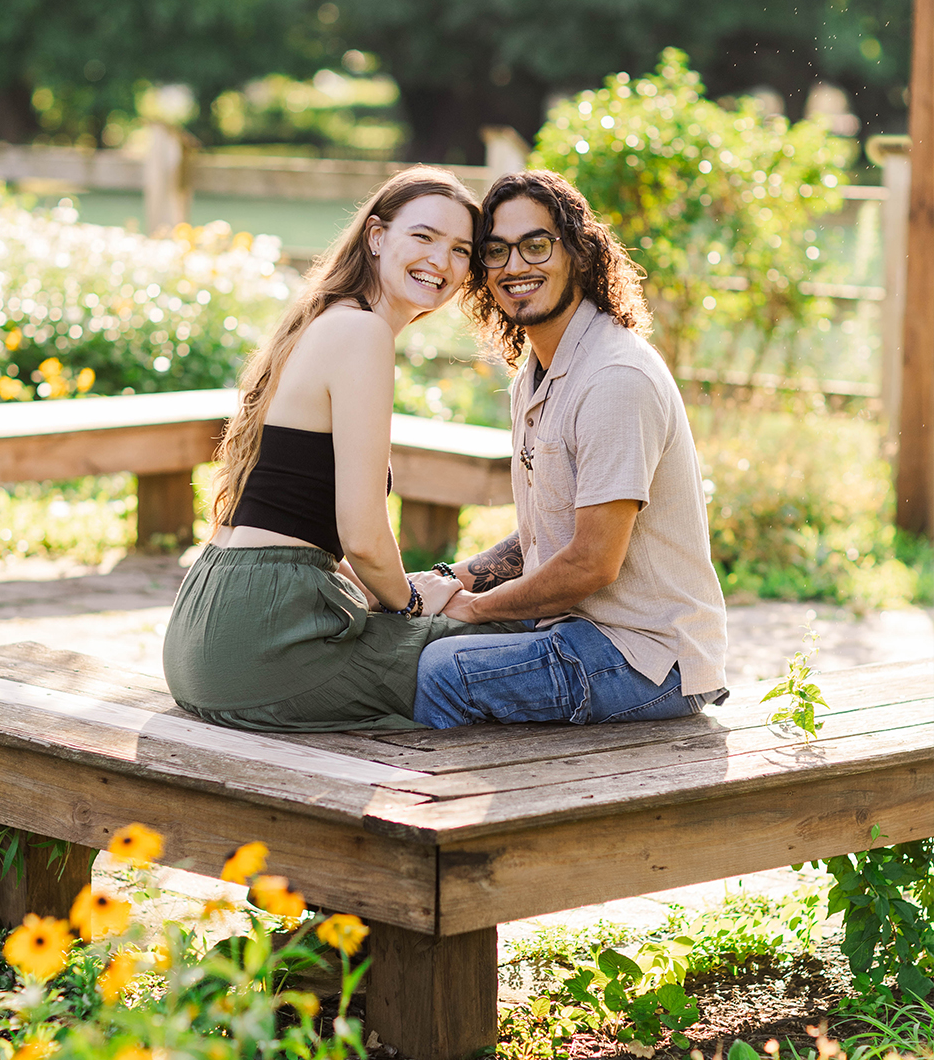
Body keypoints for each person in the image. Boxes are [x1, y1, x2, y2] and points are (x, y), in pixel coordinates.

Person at [162, 166, 507, 732]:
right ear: (376, 236)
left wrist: (386, 594)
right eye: (423, 237)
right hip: (264, 643)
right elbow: (365, 537)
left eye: (461, 250)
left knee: (456, 628)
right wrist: (413, 603)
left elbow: (298, 515)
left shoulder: (325, 321)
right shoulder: (362, 334)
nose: (441, 262)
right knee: (504, 643)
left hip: (206, 629)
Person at [410, 169, 728, 728]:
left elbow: (591, 563)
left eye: (536, 245)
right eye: (496, 251)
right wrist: (447, 580)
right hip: (576, 630)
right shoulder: (539, 374)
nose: (515, 266)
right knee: (416, 630)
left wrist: (477, 609)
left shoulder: (614, 379)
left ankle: (464, 806)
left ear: (578, 254)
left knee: (446, 667)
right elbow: (545, 536)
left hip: (649, 659)